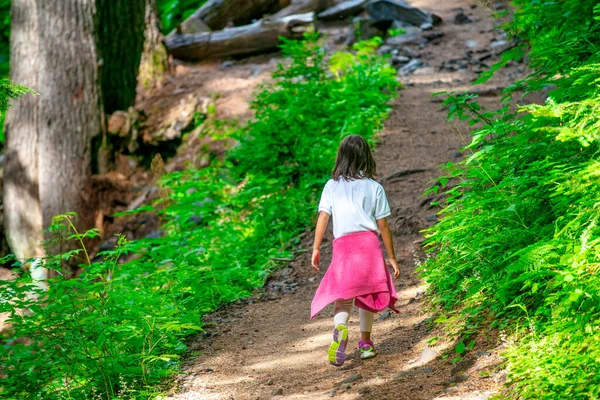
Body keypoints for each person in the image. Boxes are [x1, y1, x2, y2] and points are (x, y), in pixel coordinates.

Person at [310, 134, 400, 367]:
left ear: (341, 158)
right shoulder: (374, 187)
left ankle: (340, 328)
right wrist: (391, 257)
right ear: (366, 157)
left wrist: (316, 247)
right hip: (368, 245)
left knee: (344, 297)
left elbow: (323, 217)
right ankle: (366, 344)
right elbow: (383, 226)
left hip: (343, 247)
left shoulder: (332, 186)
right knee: (368, 295)